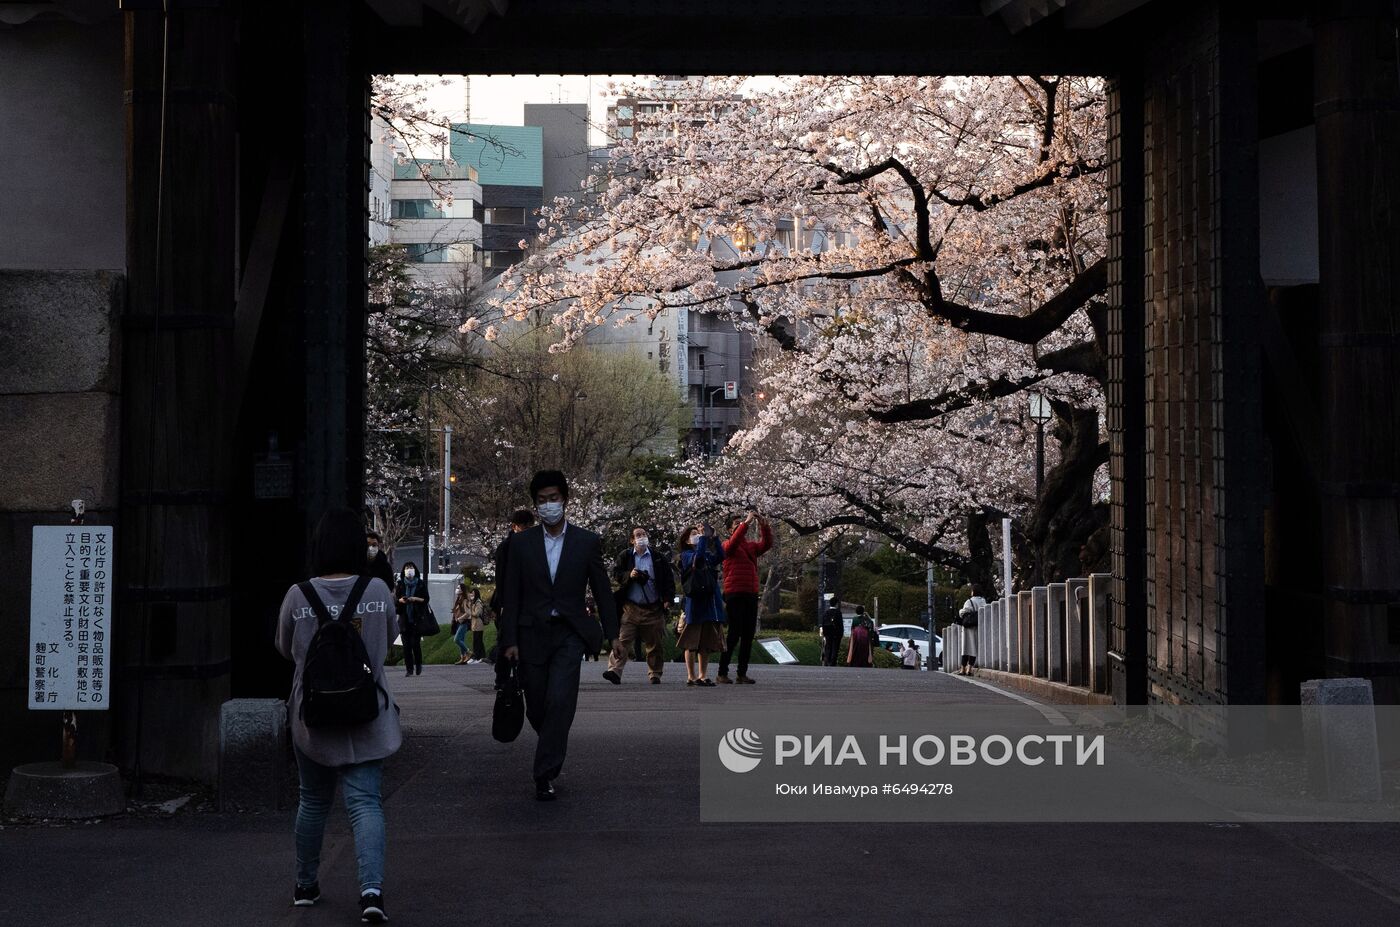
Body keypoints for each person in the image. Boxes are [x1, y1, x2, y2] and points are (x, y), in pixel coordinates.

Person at [275, 507, 400, 924]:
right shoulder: (378, 591)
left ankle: (306, 885)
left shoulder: (298, 596)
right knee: (365, 803)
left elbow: (283, 648)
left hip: (313, 717)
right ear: (357, 546)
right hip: (367, 712)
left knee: (312, 800)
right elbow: (390, 640)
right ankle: (371, 892)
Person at [498, 470, 618, 801]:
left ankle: (544, 773)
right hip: (530, 633)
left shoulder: (586, 541)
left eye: (554, 498)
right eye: (542, 500)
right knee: (538, 707)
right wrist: (508, 640)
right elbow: (511, 594)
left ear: (565, 499)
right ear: (535, 505)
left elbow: (603, 590)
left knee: (560, 700)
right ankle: (552, 744)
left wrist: (614, 634)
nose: (548, 505)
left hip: (569, 632)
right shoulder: (521, 544)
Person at [605, 525, 675, 685]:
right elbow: (616, 573)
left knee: (654, 642)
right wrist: (629, 574)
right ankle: (614, 670)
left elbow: (668, 579)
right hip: (631, 606)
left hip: (653, 606)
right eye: (638, 535)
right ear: (632, 540)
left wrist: (667, 599)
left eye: (644, 534)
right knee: (623, 639)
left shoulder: (657, 557)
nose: (642, 537)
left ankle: (655, 673)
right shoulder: (625, 556)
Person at [717, 510, 773, 685]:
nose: (740, 525)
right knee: (734, 633)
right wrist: (746, 523)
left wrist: (764, 525)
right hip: (734, 592)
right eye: (735, 524)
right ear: (728, 529)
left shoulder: (750, 547)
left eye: (740, 523)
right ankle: (722, 672)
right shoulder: (726, 545)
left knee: (748, 635)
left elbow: (767, 544)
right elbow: (733, 543)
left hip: (750, 592)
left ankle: (742, 673)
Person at [677, 522, 726, 686]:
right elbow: (696, 560)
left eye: (697, 533)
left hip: (708, 603)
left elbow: (721, 556)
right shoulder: (685, 555)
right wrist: (704, 538)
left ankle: (702, 675)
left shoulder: (705, 553)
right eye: (693, 534)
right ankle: (691, 675)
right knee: (691, 642)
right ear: (686, 540)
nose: (697, 535)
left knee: (705, 642)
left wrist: (715, 538)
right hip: (695, 602)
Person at [489, 509, 535, 678]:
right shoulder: (506, 548)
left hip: (530, 602)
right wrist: (503, 604)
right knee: (506, 638)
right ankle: (502, 676)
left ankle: (521, 675)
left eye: (530, 526)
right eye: (525, 527)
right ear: (515, 527)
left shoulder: (535, 546)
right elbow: (501, 579)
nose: (528, 530)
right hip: (509, 601)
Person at [394, 561, 427, 677]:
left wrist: (415, 599)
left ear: (415, 569)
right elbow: (395, 600)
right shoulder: (400, 584)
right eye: (407, 567)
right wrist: (400, 601)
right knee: (406, 646)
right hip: (404, 619)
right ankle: (409, 669)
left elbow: (426, 599)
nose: (409, 569)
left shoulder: (421, 584)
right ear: (403, 571)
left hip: (417, 619)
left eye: (411, 567)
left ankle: (418, 665)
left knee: (415, 644)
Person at [957, 584, 987, 675]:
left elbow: (963, 612)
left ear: (973, 591)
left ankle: (962, 669)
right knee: (974, 648)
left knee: (965, 649)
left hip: (968, 628)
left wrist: (960, 611)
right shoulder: (983, 601)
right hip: (977, 626)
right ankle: (969, 669)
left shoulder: (969, 601)